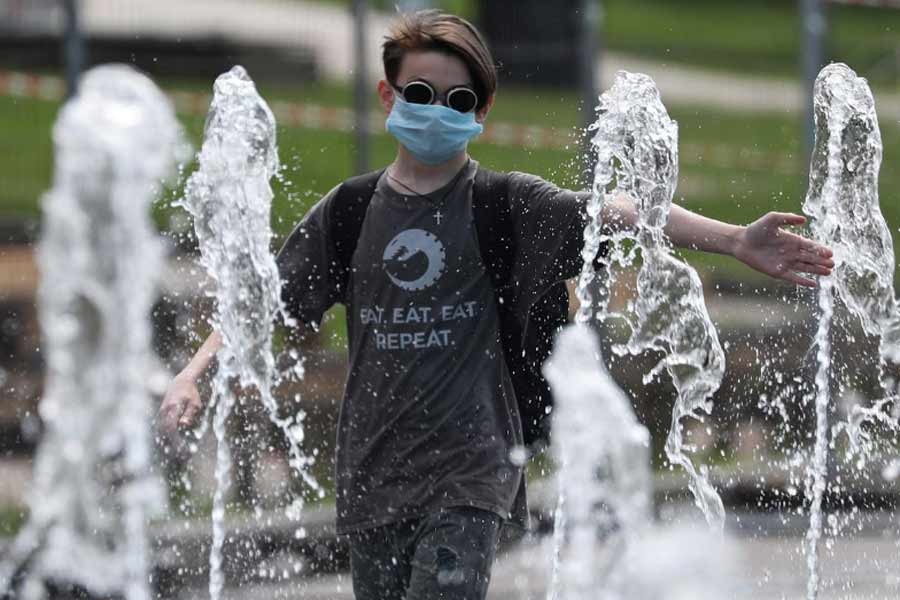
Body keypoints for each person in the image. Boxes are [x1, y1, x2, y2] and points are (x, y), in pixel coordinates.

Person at [159, 9, 834, 600]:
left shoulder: (506, 205)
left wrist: (734, 240)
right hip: (371, 479)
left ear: (480, 113)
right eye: (421, 93)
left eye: (459, 100)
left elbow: (621, 212)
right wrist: (194, 374)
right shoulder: (352, 211)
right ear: (387, 94)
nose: (439, 110)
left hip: (470, 478)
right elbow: (262, 303)